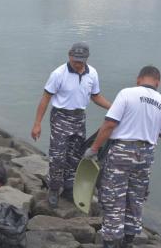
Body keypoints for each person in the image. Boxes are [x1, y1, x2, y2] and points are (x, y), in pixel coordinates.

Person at [83, 66, 161, 248]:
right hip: (146, 154)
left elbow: (109, 124)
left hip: (122, 151)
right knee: (136, 197)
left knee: (113, 197)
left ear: (138, 79)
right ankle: (128, 243)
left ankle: (109, 245)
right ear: (158, 82)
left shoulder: (127, 94)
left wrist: (94, 149)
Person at [31, 42, 111, 208]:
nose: (78, 63)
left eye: (81, 61)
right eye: (75, 60)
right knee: (58, 156)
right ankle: (53, 189)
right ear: (69, 55)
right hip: (61, 116)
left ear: (87, 59)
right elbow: (45, 98)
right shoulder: (58, 74)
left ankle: (68, 187)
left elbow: (96, 96)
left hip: (79, 118)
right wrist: (37, 123)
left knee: (74, 156)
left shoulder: (92, 73)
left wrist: (113, 108)